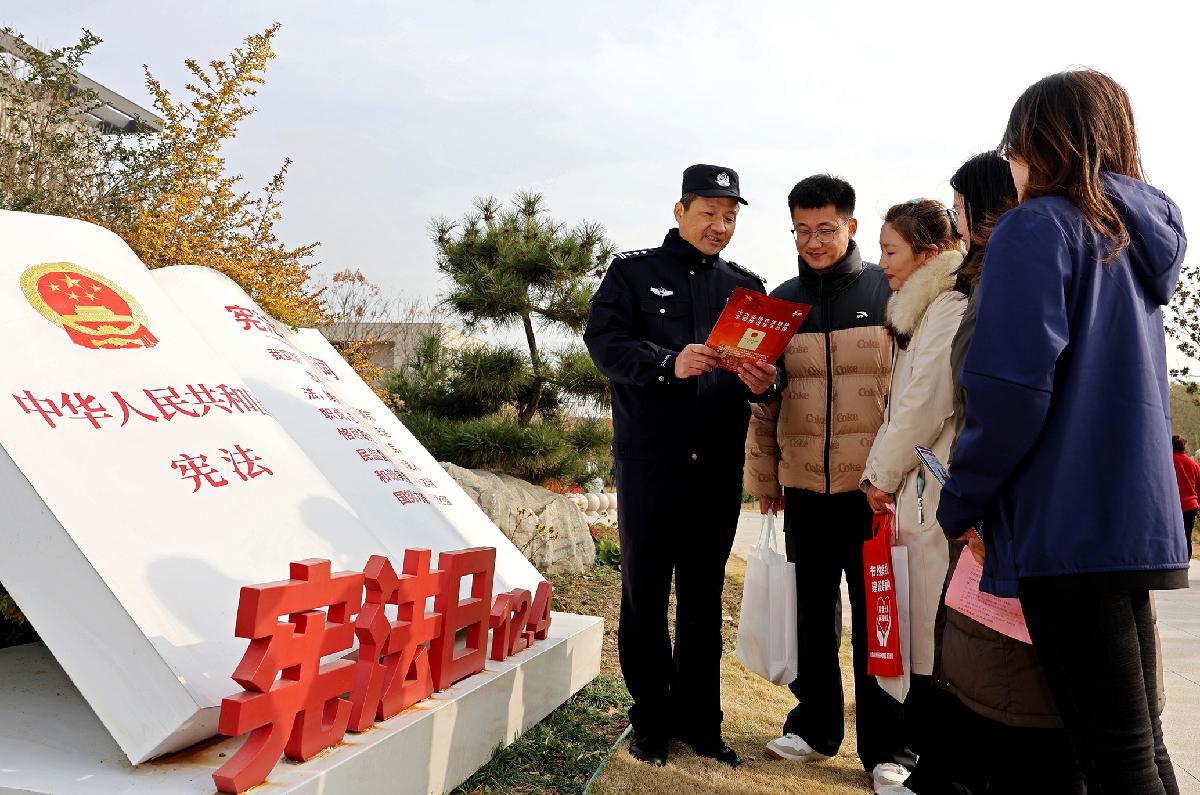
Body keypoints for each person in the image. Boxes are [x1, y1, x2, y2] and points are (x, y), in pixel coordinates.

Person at [937, 69, 1189, 795]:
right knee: (1136, 748)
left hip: (1066, 520)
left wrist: (964, 498)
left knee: (1114, 758)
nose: (1010, 167)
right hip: (1130, 516)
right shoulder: (1130, 235)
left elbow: (1011, 391)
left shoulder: (1038, 226)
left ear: (1040, 144)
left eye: (1013, 148)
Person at [900, 152, 1086, 795]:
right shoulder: (997, 274)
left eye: (961, 208)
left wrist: (968, 502)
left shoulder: (1003, 279)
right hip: (1005, 501)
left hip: (1005, 506)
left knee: (1004, 670)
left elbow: (1001, 401)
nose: (958, 222)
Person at [584, 164, 778, 769]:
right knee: (644, 593)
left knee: (703, 599)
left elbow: (769, 371)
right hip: (651, 463)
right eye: (709, 213)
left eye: (730, 217)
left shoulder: (746, 289)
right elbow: (604, 343)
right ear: (680, 210)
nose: (720, 225)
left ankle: (702, 724)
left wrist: (767, 382)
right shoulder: (632, 273)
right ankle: (650, 721)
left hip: (716, 467)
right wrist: (668, 363)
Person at [744, 174, 913, 792]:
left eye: (825, 229)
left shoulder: (889, 293)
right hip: (804, 492)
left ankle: (890, 748)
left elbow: (914, 395)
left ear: (851, 227)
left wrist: (901, 480)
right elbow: (763, 401)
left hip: (874, 494)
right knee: (812, 616)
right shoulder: (779, 303)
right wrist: (766, 476)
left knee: (879, 620)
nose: (813, 241)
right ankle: (815, 727)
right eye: (802, 230)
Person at [859, 198, 964, 782]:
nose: (882, 262)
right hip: (917, 486)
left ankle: (928, 765)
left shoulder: (948, 306)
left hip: (931, 487)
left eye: (890, 250)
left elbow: (924, 403)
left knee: (930, 635)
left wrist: (880, 473)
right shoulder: (921, 310)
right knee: (914, 626)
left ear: (927, 253)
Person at [1174, 434, 1200, 559]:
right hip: (1191, 506)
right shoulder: (1193, 464)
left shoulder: (1168, 461)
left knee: (1172, 536)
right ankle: (1185, 562)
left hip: (1174, 506)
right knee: (1187, 536)